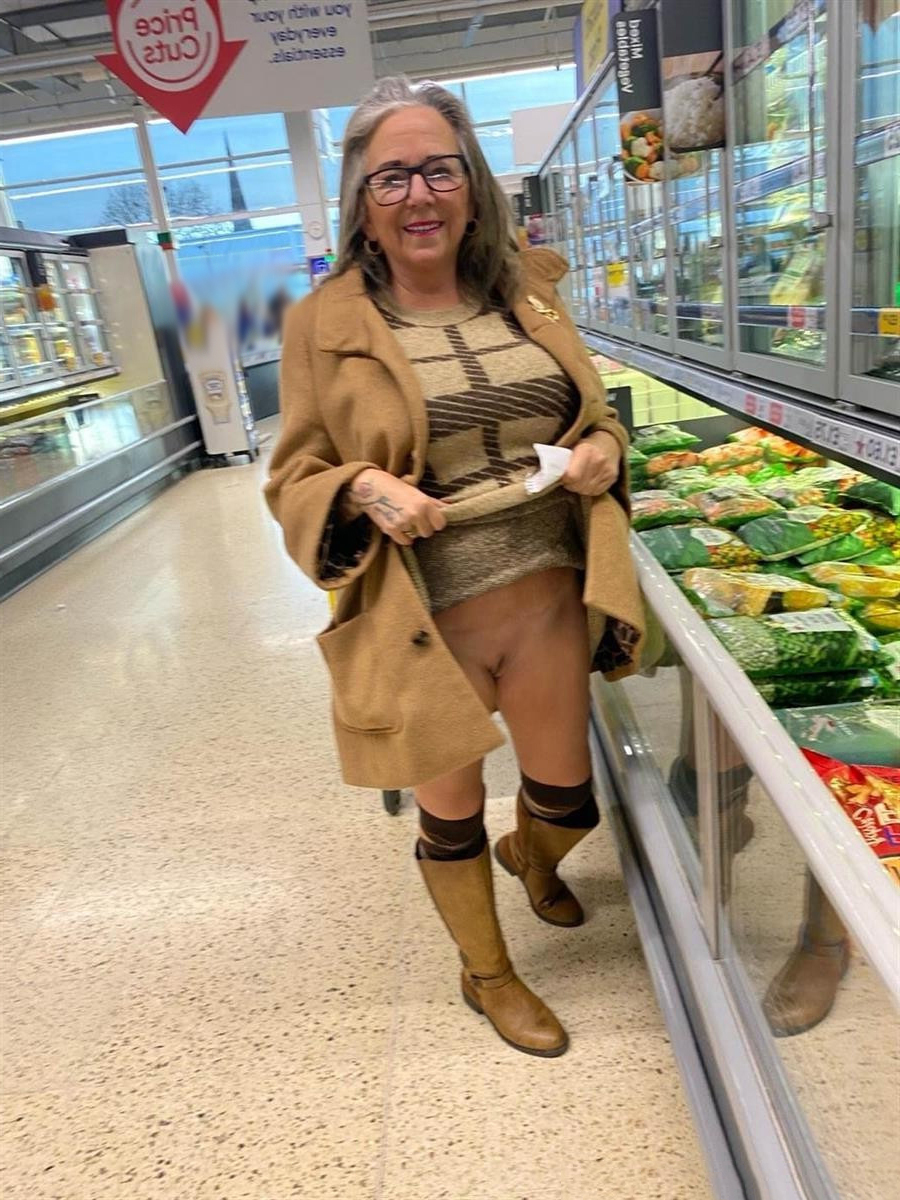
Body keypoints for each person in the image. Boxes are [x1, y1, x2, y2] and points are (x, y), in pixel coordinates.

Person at [265, 77, 643, 1059]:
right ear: (363, 204)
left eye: (439, 169)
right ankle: (489, 974)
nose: (419, 194)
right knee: (452, 812)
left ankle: (535, 857)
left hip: (549, 598)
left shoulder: (528, 290)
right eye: (391, 177)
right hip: (425, 618)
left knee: (567, 800)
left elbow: (594, 412)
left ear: (472, 185)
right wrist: (361, 486)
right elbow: (294, 474)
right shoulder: (323, 323)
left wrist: (603, 449)